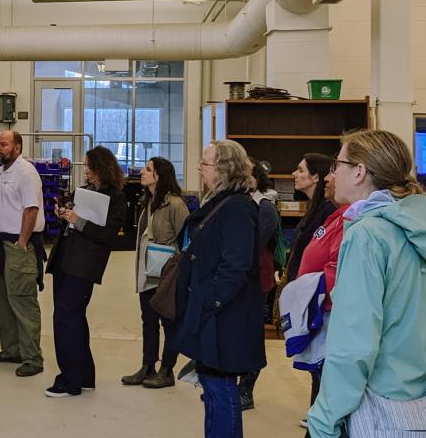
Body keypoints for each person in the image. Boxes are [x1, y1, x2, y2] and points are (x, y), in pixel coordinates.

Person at [307, 129, 426, 438]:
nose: (333, 172)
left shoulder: (366, 235)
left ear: (359, 172)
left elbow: (354, 344)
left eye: (337, 164)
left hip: (377, 408)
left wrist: (325, 419)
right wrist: (414, 374)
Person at [176, 140, 265, 438]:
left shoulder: (237, 208)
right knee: (211, 385)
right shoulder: (221, 201)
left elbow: (235, 266)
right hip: (214, 312)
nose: (200, 168)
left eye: (206, 163)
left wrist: (208, 301)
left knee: (221, 387)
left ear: (225, 169)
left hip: (225, 315)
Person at [45, 146, 127, 397]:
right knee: (75, 319)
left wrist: (77, 221)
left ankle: (69, 380)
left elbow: (107, 235)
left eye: (90, 166)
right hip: (66, 259)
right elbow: (74, 223)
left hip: (83, 265)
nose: (87, 171)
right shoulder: (85, 191)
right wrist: (64, 214)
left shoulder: (116, 197)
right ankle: (85, 375)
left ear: (103, 167)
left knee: (65, 320)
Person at [0, 130, 46, 377]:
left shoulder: (26, 173)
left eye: (4, 144)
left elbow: (31, 210)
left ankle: (32, 357)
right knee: (0, 300)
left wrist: (22, 242)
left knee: (22, 300)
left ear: (17, 148)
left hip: (17, 246)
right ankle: (11, 349)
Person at [121, 156, 188, 389]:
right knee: (148, 320)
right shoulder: (147, 201)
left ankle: (167, 370)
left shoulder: (176, 205)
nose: (143, 172)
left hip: (167, 275)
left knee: (168, 323)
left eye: (148, 169)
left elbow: (187, 241)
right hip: (147, 272)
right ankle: (147, 365)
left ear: (160, 176)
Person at [292, 171, 349, 432]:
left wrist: (304, 289)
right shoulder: (336, 214)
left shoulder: (353, 219)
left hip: (331, 313)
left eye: (335, 170)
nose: (328, 177)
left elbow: (338, 271)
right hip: (318, 308)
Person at [236, 160, 281, 411]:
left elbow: (252, 245)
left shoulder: (264, 207)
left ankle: (247, 389)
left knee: (252, 336)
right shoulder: (240, 202)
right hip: (240, 277)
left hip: (256, 279)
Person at [287, 154, 335, 282]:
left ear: (316, 177)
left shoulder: (328, 210)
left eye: (301, 170)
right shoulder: (313, 208)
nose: (294, 174)